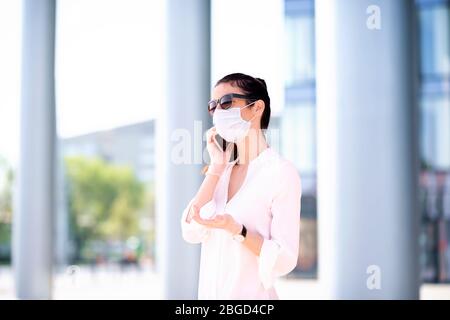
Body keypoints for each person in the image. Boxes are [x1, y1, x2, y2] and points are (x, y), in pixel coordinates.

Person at [180, 73, 302, 299]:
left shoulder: (280, 172)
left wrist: (238, 231)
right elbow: (189, 228)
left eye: (226, 102)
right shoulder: (221, 171)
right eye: (212, 106)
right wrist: (216, 167)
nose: (218, 112)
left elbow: (285, 259)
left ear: (256, 108)